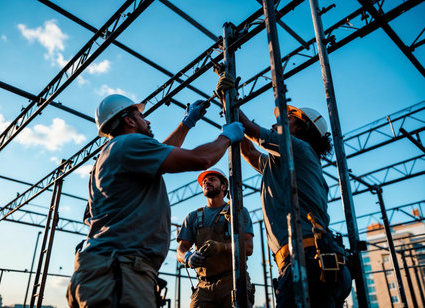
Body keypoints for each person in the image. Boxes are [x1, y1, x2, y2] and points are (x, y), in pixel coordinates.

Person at [66, 94, 245, 308]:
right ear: (129, 121)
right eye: (141, 116)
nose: (148, 121)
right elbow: (201, 159)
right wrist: (226, 138)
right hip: (120, 272)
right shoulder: (128, 144)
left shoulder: (116, 151)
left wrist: (186, 124)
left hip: (107, 270)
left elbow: (160, 154)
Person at [216, 76, 352, 307]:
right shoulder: (282, 163)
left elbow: (250, 131)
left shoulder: (299, 148)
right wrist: (227, 107)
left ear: (303, 127)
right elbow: (248, 150)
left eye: (288, 117)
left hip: (308, 260)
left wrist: (229, 99)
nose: (279, 119)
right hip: (307, 262)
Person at [176, 168, 254, 308]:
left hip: (232, 281)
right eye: (204, 181)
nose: (207, 182)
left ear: (223, 186)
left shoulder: (236, 212)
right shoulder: (193, 217)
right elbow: (181, 249)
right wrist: (187, 257)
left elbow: (248, 247)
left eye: (212, 179)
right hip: (203, 286)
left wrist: (222, 247)